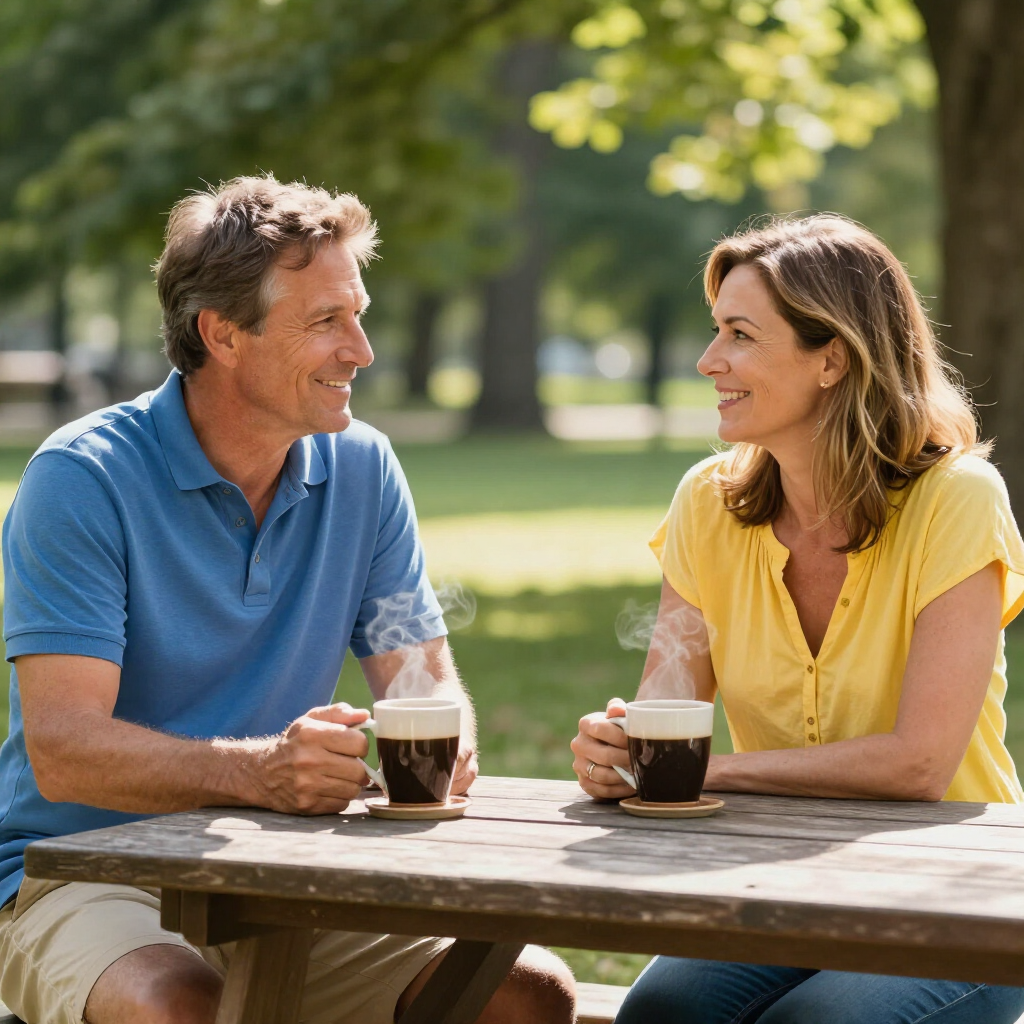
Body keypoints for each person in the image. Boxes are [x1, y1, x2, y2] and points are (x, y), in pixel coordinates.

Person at [0, 175, 575, 1024]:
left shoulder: (362, 467)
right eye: (326, 322)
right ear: (222, 334)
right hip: (83, 871)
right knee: (179, 1006)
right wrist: (263, 771)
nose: (363, 350)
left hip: (277, 875)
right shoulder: (82, 478)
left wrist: (437, 744)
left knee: (523, 997)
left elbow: (420, 678)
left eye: (360, 313)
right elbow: (66, 750)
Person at [571, 214, 1024, 1023]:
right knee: (660, 1015)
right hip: (783, 885)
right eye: (716, 333)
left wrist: (699, 773)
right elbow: (666, 709)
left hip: (961, 901)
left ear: (834, 359)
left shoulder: (957, 499)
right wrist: (620, 748)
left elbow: (919, 765)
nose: (710, 362)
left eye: (740, 336)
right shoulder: (706, 505)